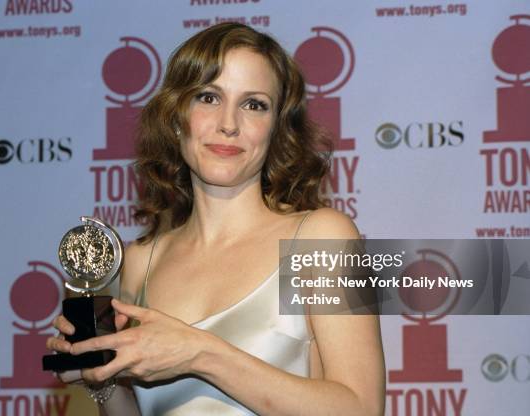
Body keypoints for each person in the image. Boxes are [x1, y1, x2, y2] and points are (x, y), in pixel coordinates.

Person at [47, 22, 385, 415]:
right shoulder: (138, 262)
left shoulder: (324, 237)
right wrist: (102, 381)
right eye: (208, 97)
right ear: (176, 119)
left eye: (254, 104)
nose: (228, 123)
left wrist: (200, 353)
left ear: (276, 130)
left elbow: (362, 407)